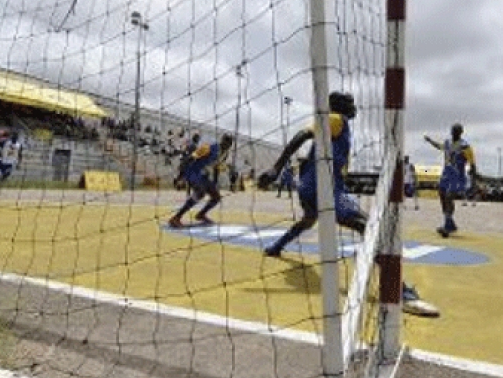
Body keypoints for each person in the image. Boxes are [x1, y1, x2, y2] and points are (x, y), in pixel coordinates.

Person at [258, 91, 439, 317]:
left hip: (311, 187)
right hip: (323, 189)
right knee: (370, 227)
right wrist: (276, 169)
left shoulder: (337, 126)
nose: (354, 107)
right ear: (339, 105)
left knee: (308, 220)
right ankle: (398, 291)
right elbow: (301, 136)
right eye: (349, 103)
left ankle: (277, 247)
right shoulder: (335, 119)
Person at [168, 133, 234, 228]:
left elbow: (216, 167)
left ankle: (201, 215)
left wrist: (214, 183)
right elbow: (190, 158)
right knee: (200, 192)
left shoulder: (225, 154)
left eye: (230, 143)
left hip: (203, 175)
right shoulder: (208, 148)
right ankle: (176, 218)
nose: (227, 144)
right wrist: (180, 176)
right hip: (192, 171)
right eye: (226, 141)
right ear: (221, 140)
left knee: (216, 197)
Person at [423, 124, 477, 237]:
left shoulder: (465, 146)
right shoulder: (447, 143)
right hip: (446, 173)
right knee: (442, 194)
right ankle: (449, 221)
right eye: (453, 130)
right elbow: (439, 146)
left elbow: (472, 165)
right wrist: (429, 141)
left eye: (457, 131)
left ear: (461, 132)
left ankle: (447, 226)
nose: (454, 132)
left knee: (449, 196)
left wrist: (473, 182)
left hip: (457, 176)